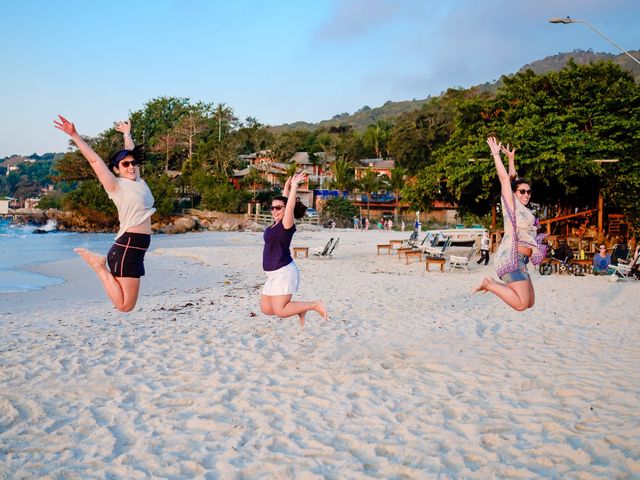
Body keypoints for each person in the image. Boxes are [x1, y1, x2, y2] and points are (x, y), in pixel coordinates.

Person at [54, 116, 155, 312]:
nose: (131, 166)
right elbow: (94, 160)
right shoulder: (116, 186)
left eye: (133, 163)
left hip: (136, 249)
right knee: (125, 306)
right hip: (127, 247)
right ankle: (99, 266)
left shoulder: (139, 182)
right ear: (116, 169)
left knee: (128, 305)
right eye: (125, 164)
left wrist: (127, 133)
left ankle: (99, 265)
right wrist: (74, 135)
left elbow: (130, 152)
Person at [473, 137, 546, 311]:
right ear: (514, 193)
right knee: (521, 304)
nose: (526, 194)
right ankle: (489, 284)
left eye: (528, 192)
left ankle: (492, 284)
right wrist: (496, 154)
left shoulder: (523, 208)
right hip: (512, 258)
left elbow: (513, 178)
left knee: (529, 303)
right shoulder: (511, 206)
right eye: (522, 191)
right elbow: (506, 180)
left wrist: (511, 160)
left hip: (523, 261)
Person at [260, 172, 327, 328]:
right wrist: (286, 187)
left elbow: (288, 206)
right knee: (266, 308)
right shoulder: (276, 223)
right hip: (271, 274)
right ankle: (299, 310)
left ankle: (315, 305)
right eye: (272, 208)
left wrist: (295, 186)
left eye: (278, 208)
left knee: (281, 311)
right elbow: (284, 203)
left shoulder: (287, 225)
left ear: (286, 211)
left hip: (283, 271)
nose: (274, 210)